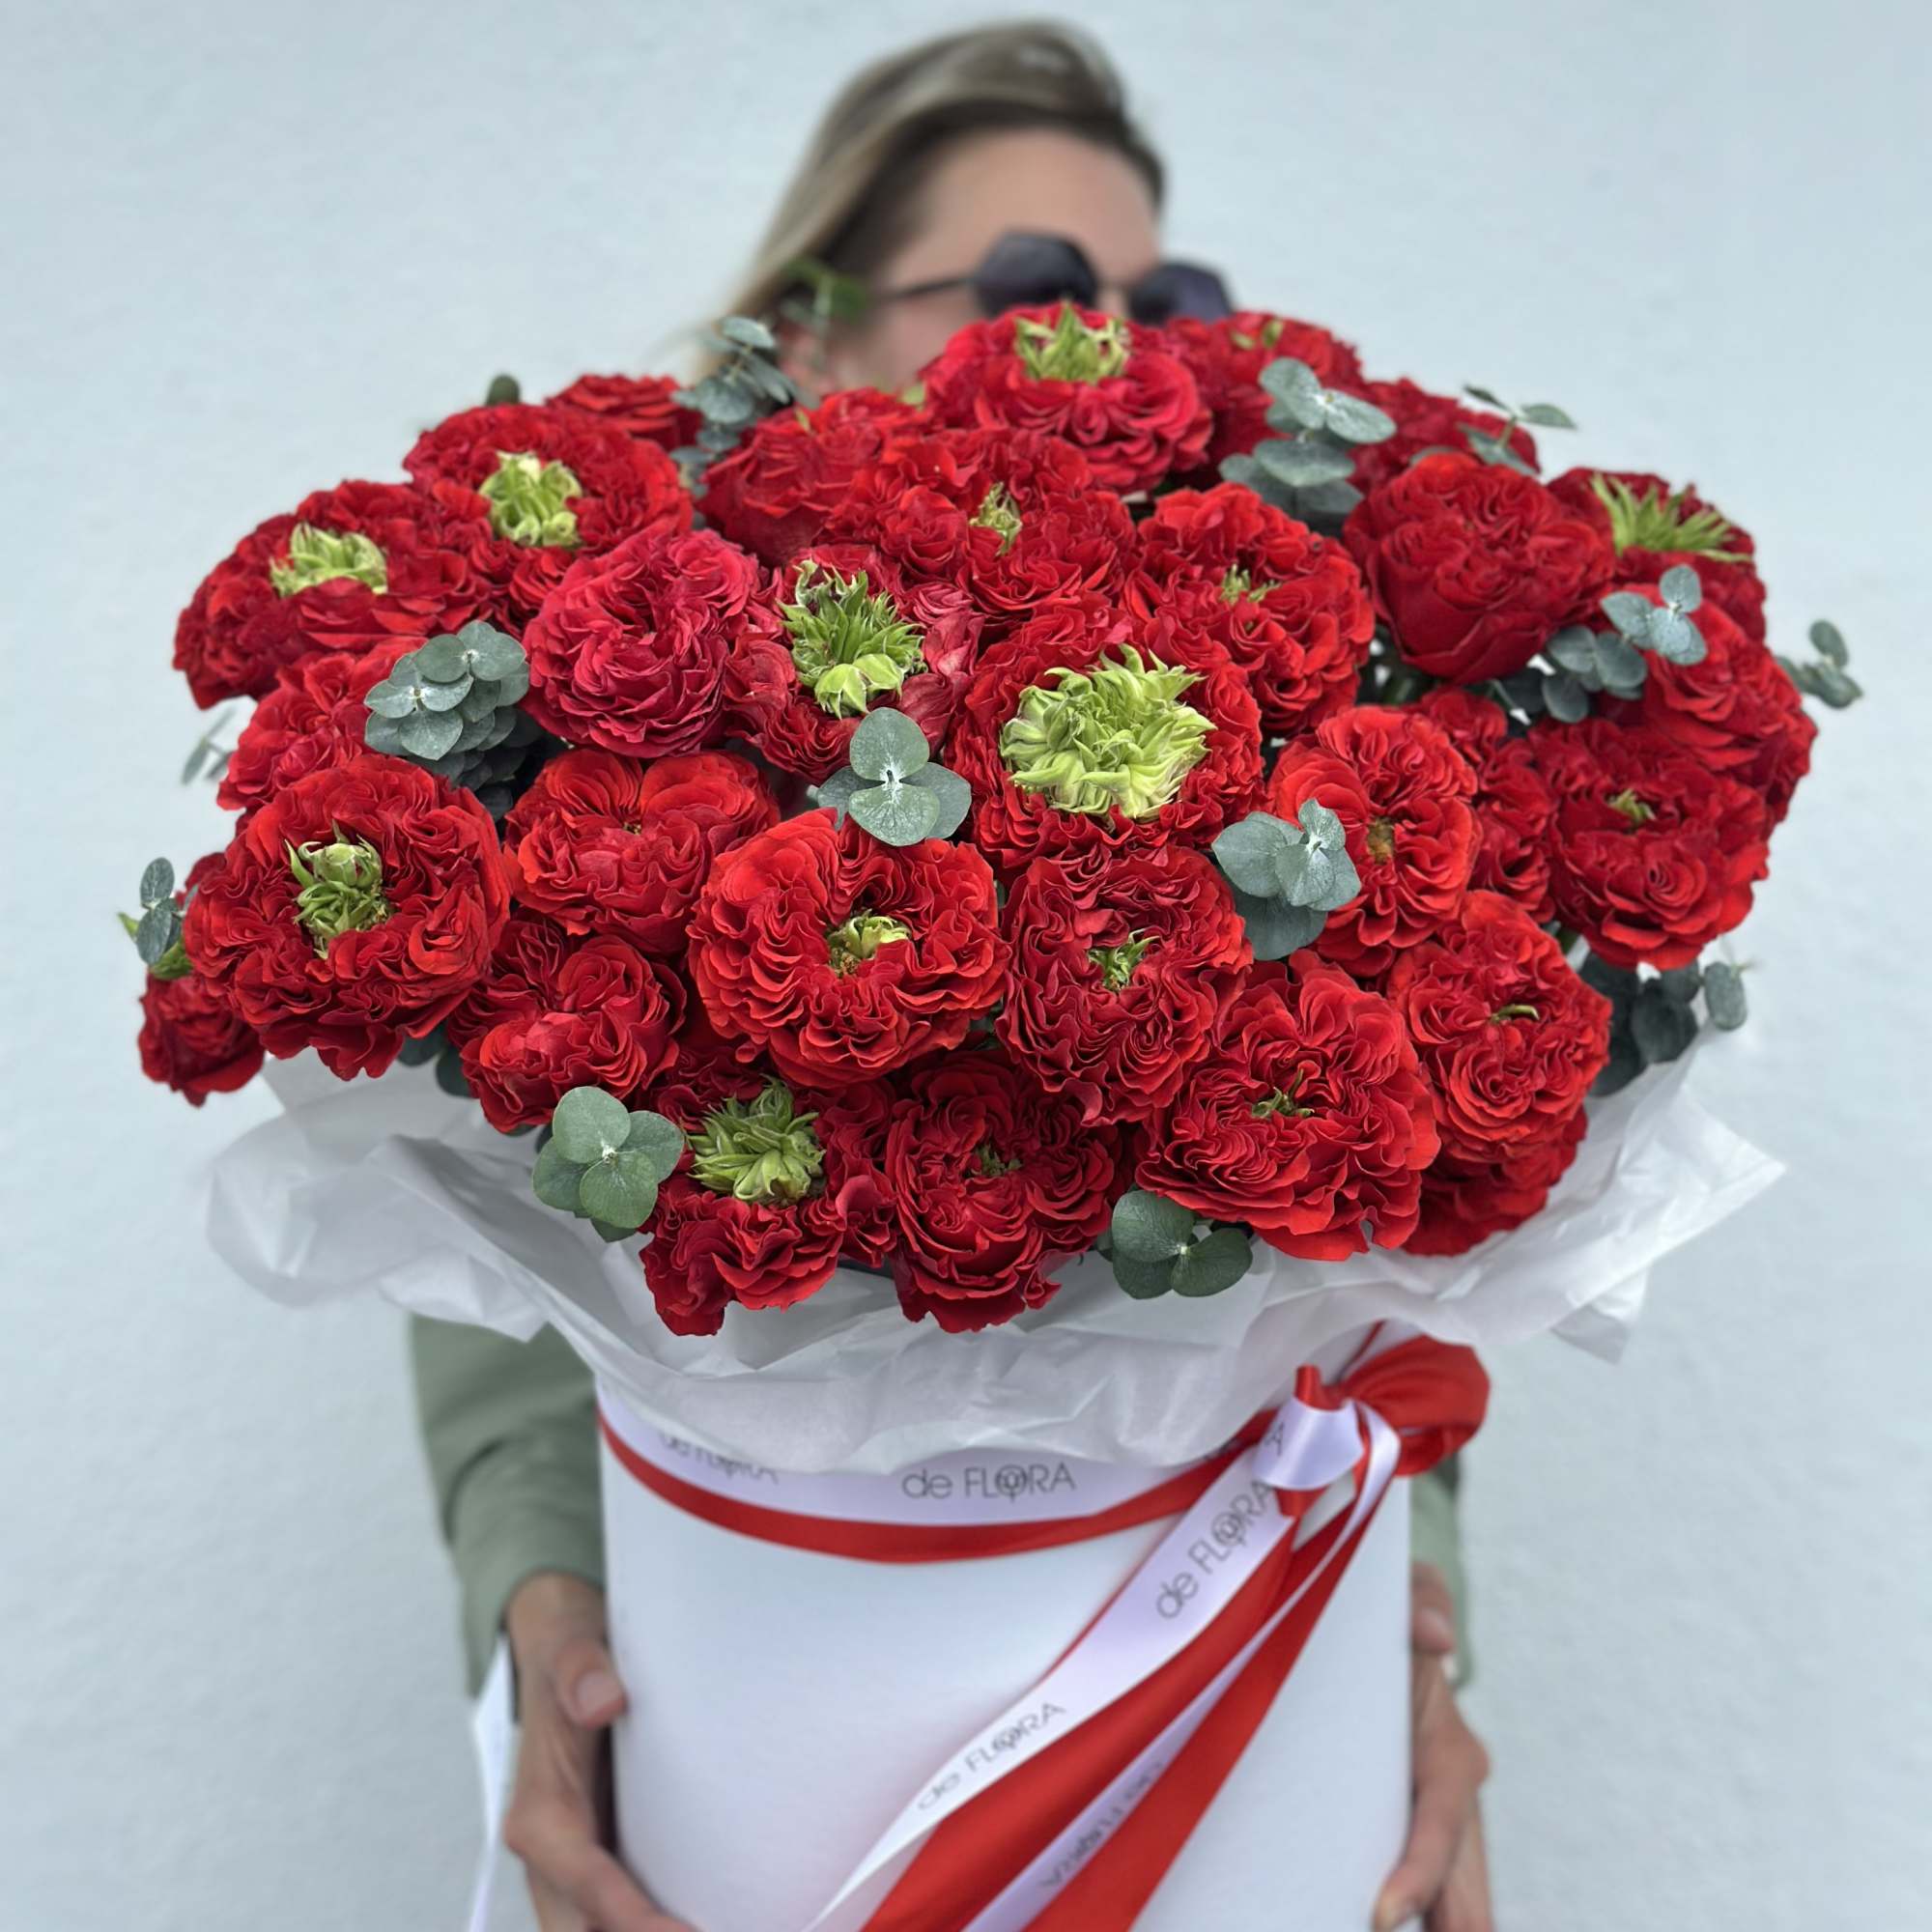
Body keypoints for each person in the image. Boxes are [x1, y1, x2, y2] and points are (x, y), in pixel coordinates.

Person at [412, 22, 1492, 1932]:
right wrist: (540, 1602)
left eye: (1158, 302)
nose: (1101, 340)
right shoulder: (631, 731)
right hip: (757, 1743)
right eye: (1019, 288)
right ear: (815, 337)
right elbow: (490, 1224)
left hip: (1228, 1753)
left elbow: (1379, 1265)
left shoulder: (1252, 752)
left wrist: (1412, 1641)